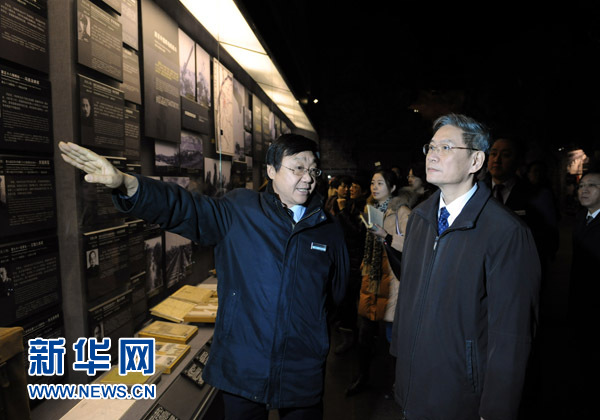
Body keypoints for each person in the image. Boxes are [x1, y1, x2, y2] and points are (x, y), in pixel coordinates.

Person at [58, 134, 349, 420]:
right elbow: (183, 207)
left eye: (313, 170)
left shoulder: (328, 229)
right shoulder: (240, 211)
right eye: (298, 167)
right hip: (243, 366)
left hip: (301, 370)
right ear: (271, 170)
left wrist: (308, 330)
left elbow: (335, 295)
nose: (307, 178)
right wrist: (128, 184)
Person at [390, 114, 540, 420]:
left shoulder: (506, 232)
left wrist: (496, 409)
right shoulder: (419, 218)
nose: (433, 155)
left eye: (446, 147)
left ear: (475, 161)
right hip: (412, 389)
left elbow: (511, 334)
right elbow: (409, 297)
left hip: (460, 397)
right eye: (431, 147)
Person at [346, 169, 413, 398]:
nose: (374, 187)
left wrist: (386, 236)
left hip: (392, 279)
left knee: (392, 337)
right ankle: (363, 377)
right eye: (373, 183)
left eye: (380, 183)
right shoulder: (371, 209)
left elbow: (413, 244)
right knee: (364, 333)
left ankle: (397, 384)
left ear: (392, 188)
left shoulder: (402, 211)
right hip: (372, 278)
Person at [567, 170, 600, 417]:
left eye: (592, 185)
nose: (584, 190)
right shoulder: (582, 219)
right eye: (582, 186)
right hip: (581, 300)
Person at [332, 175, 369, 354]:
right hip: (348, 257)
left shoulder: (364, 207)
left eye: (355, 187)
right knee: (346, 299)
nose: (350, 189)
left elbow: (356, 232)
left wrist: (342, 212)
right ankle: (349, 334)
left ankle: (354, 339)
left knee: (350, 300)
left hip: (356, 260)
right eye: (349, 186)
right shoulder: (353, 204)